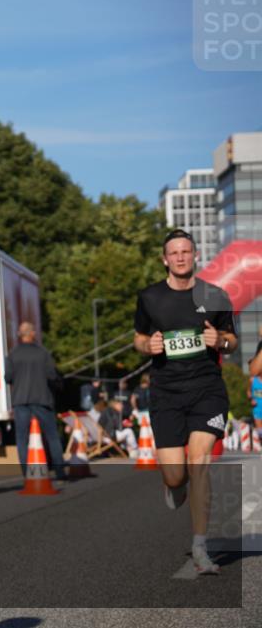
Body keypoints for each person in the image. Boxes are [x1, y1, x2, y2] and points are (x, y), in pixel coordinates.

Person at [133, 229, 238, 575]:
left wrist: (219, 340)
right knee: (176, 474)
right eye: (173, 253)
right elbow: (138, 337)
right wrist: (148, 346)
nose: (180, 257)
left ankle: (200, 547)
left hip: (207, 390)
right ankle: (173, 486)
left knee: (199, 462)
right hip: (166, 392)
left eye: (185, 251)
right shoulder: (149, 298)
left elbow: (232, 341)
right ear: (165, 258)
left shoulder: (216, 295)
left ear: (195, 255)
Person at [4, 321, 66, 479]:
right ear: (33, 334)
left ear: (20, 335)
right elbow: (52, 376)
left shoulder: (13, 354)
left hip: (20, 400)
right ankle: (60, 472)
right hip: (42, 399)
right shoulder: (43, 353)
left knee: (22, 438)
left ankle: (27, 474)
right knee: (52, 435)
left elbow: (8, 377)